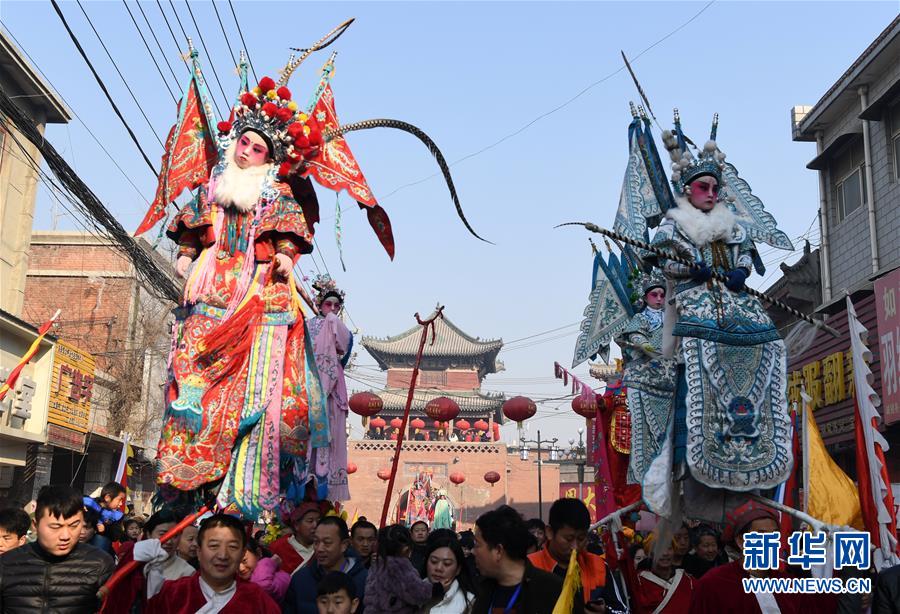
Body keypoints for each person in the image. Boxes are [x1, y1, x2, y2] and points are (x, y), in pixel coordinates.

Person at [154, 73, 327, 517]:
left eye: (258, 149)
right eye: (243, 144)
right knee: (188, 375)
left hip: (251, 299)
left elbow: (288, 233)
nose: (247, 153)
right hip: (207, 296)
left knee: (248, 392)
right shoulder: (212, 189)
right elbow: (192, 228)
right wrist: (188, 252)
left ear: (270, 159)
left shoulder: (277, 195)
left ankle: (231, 484)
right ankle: (180, 483)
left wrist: (286, 255)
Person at [651, 113, 791, 506]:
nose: (711, 193)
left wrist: (741, 270)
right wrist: (689, 268)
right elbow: (662, 262)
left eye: (715, 186)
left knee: (771, 342)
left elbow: (745, 252)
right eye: (703, 186)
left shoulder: (733, 224)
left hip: (735, 299)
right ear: (688, 189)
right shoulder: (673, 226)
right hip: (694, 300)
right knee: (697, 349)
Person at [0, 484, 114, 613]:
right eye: (55, 527)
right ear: (35, 525)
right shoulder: (6, 564)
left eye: (74, 525)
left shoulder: (100, 564)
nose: (65, 536)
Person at [146, 513, 279, 613]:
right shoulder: (170, 594)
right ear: (199, 551)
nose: (222, 555)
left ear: (242, 553)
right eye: (214, 546)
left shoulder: (259, 601)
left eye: (232, 547)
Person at [614, 275, 676, 489]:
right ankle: (645, 474)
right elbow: (635, 337)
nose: (659, 298)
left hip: (670, 381)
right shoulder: (641, 319)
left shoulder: (673, 318)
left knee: (672, 429)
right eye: (654, 294)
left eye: (662, 294)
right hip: (643, 380)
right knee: (644, 430)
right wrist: (645, 345)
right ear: (645, 297)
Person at [689, 502, 800, 613]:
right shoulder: (713, 584)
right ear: (741, 541)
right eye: (761, 535)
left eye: (775, 535)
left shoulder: (788, 583)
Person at [470, 505, 579, 614]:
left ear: (498, 550)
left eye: (477, 544)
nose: (472, 551)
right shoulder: (480, 590)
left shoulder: (554, 591)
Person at [528, 498, 627, 613]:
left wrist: (605, 612)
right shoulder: (529, 567)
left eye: (581, 539)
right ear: (550, 532)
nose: (575, 546)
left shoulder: (599, 566)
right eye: (568, 539)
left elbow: (623, 611)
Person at [308, 275, 353, 501]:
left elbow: (342, 358)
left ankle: (326, 486)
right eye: (328, 304)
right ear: (319, 305)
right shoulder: (307, 326)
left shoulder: (341, 328)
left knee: (332, 437)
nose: (333, 309)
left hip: (333, 390)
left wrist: (330, 373)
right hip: (310, 385)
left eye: (337, 305)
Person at [103, 509, 197, 611]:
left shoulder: (187, 572)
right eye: (163, 534)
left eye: (175, 536)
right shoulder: (132, 561)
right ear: (148, 534)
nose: (169, 541)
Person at [284, 516, 367, 614]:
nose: (319, 548)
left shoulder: (366, 581)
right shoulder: (300, 579)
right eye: (316, 542)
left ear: (344, 545)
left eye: (327, 543)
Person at [363, 524, 443, 613]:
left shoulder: (378, 563)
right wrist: (437, 588)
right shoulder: (398, 566)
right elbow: (417, 592)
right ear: (406, 548)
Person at [632, 537, 694, 613]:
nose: (665, 553)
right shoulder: (638, 582)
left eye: (669, 548)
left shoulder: (688, 581)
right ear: (650, 554)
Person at [422, 534, 476, 614]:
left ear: (458, 569)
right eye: (434, 561)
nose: (439, 568)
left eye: (447, 564)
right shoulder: (410, 592)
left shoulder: (469, 603)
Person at [269, 502, 321, 574]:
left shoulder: (322, 548)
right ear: (296, 525)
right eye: (310, 521)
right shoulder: (278, 548)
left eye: (318, 521)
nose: (315, 525)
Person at [238, 537, 290, 603]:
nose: (241, 568)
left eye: (244, 560)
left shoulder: (276, 575)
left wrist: (268, 562)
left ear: (258, 553)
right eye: (235, 563)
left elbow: (263, 586)